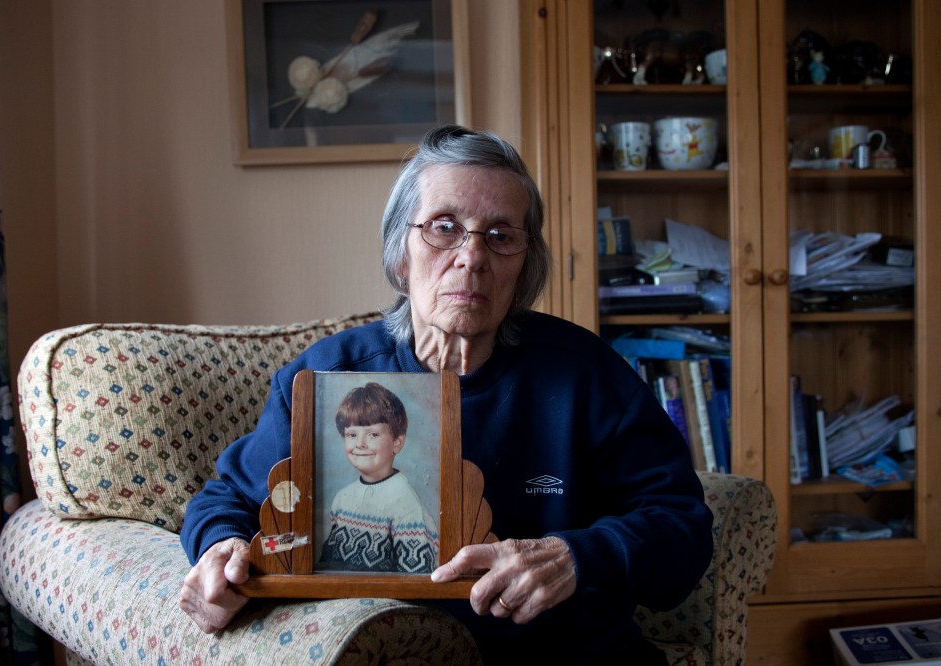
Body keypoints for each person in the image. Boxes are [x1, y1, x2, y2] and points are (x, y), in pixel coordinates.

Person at [179, 125, 713, 663]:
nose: (472, 257)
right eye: (444, 227)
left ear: (525, 265)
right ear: (400, 255)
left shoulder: (586, 375)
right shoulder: (328, 377)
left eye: (501, 235)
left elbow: (683, 527)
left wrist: (574, 556)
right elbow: (229, 499)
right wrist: (221, 548)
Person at [317, 381, 438, 573]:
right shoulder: (342, 498)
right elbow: (326, 566)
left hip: (388, 600)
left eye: (373, 434)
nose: (360, 444)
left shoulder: (406, 504)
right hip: (336, 598)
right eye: (351, 435)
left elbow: (417, 579)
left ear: (397, 443)